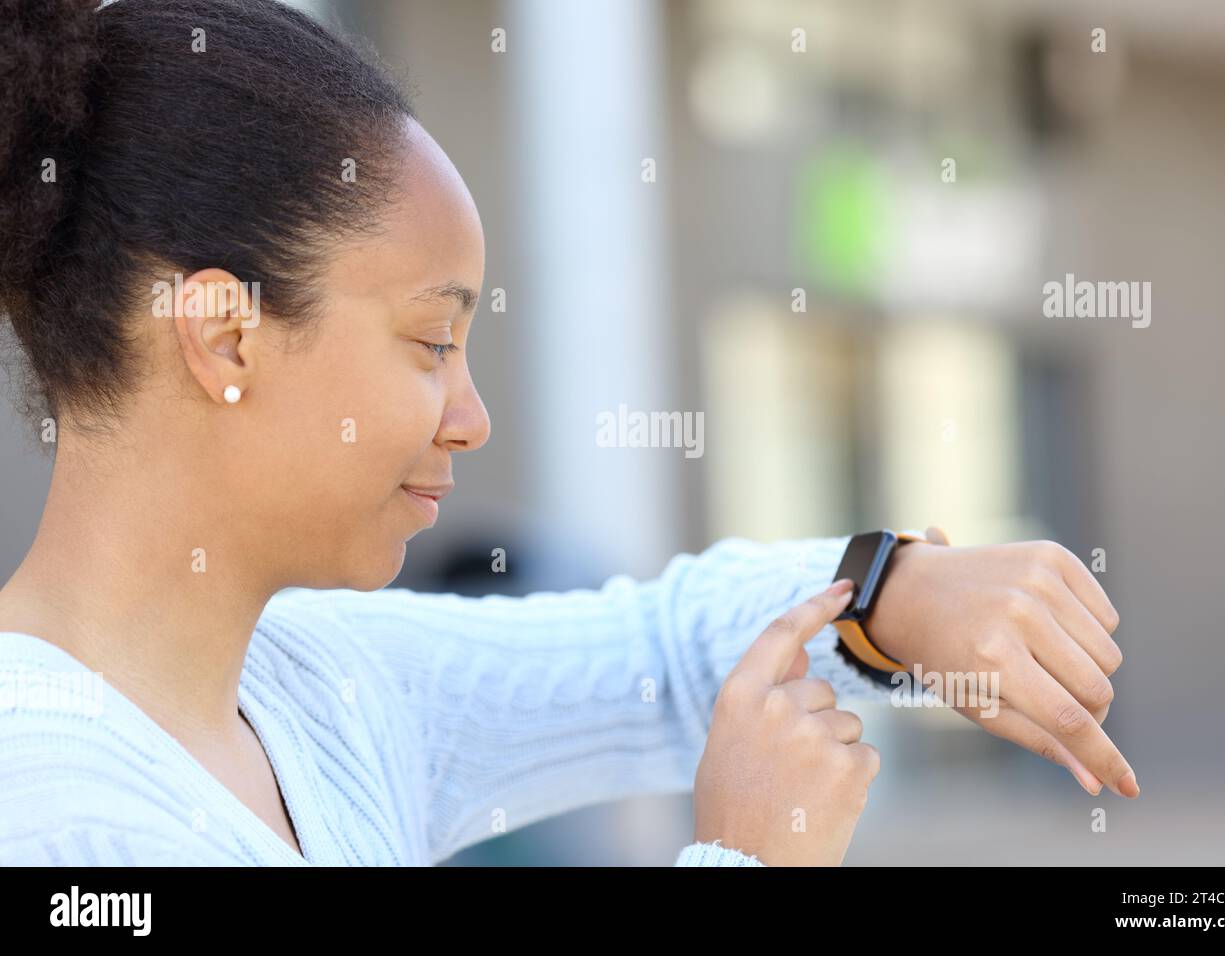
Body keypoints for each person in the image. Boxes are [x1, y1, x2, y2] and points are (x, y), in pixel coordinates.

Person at [0, 0, 1134, 867]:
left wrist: (893, 590)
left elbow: (654, 655)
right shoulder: (50, 806)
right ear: (225, 338)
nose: (471, 417)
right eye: (430, 343)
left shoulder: (318, 679)